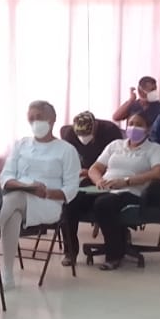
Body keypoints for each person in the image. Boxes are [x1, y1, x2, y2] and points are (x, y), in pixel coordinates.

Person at [0, 101, 81, 289]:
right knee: (13, 212)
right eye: (31, 119)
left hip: (48, 203)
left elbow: (71, 189)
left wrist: (46, 193)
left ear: (52, 119)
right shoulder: (21, 145)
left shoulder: (66, 150)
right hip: (18, 196)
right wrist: (25, 186)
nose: (35, 122)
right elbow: (6, 176)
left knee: (13, 199)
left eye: (39, 118)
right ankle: (7, 276)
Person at [86, 115, 160, 271]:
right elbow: (94, 168)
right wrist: (98, 180)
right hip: (105, 188)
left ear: (147, 129)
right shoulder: (115, 145)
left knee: (104, 204)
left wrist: (126, 181)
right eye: (130, 123)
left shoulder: (155, 149)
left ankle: (114, 256)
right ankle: (70, 252)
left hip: (132, 192)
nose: (133, 127)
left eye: (139, 124)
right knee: (73, 200)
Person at [59, 111, 122, 266]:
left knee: (103, 203)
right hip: (87, 175)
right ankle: (70, 251)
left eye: (88, 134)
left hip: (109, 175)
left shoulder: (110, 132)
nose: (84, 138)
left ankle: (114, 252)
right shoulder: (69, 134)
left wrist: (95, 172)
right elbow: (68, 158)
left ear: (95, 127)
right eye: (80, 135)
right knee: (69, 201)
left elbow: (118, 160)